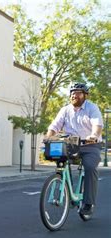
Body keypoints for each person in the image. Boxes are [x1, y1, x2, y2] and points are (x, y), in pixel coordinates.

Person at [45, 82, 103, 216]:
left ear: (85, 96)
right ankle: (69, 192)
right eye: (72, 93)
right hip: (71, 145)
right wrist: (48, 136)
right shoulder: (65, 110)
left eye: (78, 93)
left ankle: (88, 203)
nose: (74, 95)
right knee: (61, 162)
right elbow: (54, 126)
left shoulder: (92, 108)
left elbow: (97, 124)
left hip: (90, 145)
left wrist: (94, 135)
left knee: (89, 167)